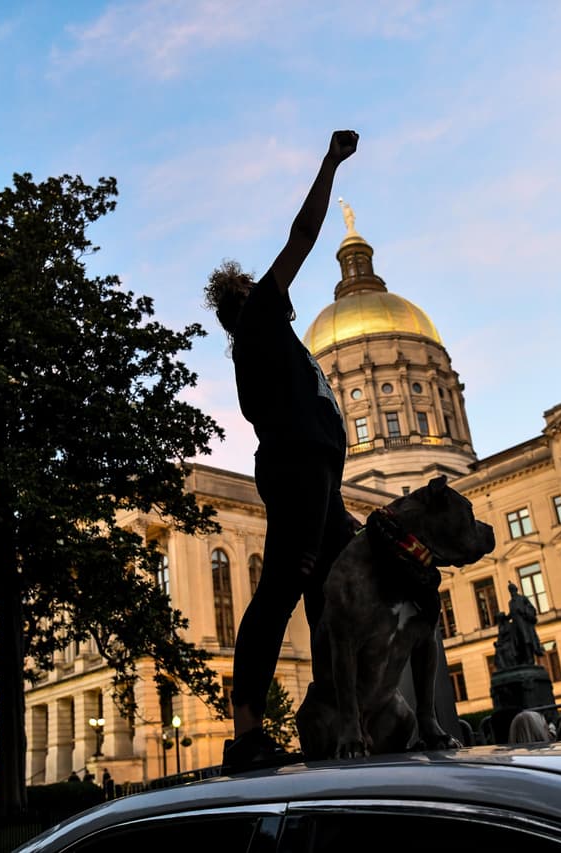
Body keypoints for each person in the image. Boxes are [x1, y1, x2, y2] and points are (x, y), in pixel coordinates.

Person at [206, 130, 360, 772]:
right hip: (300, 468)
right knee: (282, 587)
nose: (288, 289)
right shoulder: (261, 319)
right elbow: (303, 236)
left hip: (319, 474)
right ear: (249, 297)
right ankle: (246, 732)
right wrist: (329, 163)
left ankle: (334, 709)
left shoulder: (272, 344)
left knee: (336, 583)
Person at [506, 582, 543, 666]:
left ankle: (530, 659)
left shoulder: (523, 598)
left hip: (524, 624)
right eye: (510, 590)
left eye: (513, 590)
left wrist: (524, 612)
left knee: (527, 641)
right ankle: (524, 660)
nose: (512, 592)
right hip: (516, 626)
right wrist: (505, 617)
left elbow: (531, 608)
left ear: (516, 590)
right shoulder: (510, 602)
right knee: (519, 643)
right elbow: (511, 614)